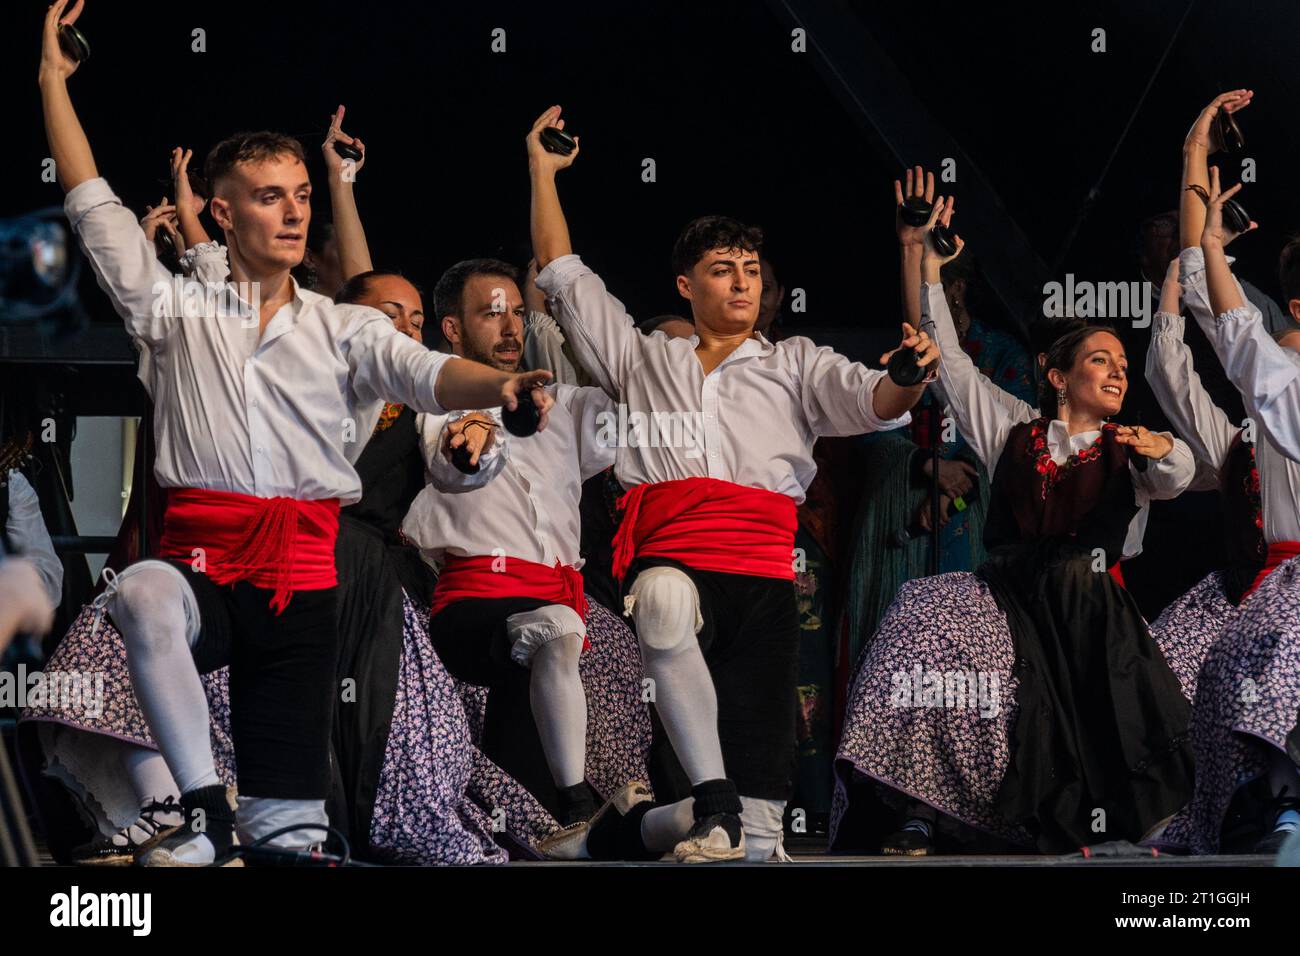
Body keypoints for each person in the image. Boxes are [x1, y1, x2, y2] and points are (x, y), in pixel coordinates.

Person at [37, 0, 554, 866]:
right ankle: (202, 809)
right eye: (270, 197)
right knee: (140, 596)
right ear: (222, 211)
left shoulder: (344, 328)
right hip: (203, 569)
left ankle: (254, 829)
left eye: (303, 196)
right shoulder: (172, 307)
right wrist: (54, 82)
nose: (292, 212)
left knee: (292, 835)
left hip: (307, 587)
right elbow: (92, 203)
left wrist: (503, 384)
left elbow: (431, 375)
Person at [527, 104, 938, 862]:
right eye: (723, 269)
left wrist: (907, 378)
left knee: (752, 841)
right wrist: (543, 173)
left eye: (751, 270)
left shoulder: (796, 364)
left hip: (764, 575)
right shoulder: (642, 358)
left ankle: (627, 832)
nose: (742, 281)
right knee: (661, 598)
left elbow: (878, 398)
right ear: (686, 284)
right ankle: (707, 804)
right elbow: (564, 274)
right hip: (675, 552)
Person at [834, 195, 1197, 855]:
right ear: (1057, 376)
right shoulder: (1012, 425)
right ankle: (916, 810)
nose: (1117, 370)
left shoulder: (1129, 446)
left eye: (1121, 363)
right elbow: (948, 361)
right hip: (1006, 596)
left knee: (1085, 590)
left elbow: (1176, 477)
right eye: (1099, 360)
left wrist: (1165, 452)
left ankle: (1146, 814)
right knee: (924, 625)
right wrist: (930, 272)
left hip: (1088, 610)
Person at [402, 257, 651, 859]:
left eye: (518, 312)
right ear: (454, 329)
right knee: (558, 633)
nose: (510, 326)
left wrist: (569, 314)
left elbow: (636, 402)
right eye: (492, 314)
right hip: (474, 600)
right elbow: (454, 461)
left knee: (568, 669)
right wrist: (476, 447)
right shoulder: (440, 404)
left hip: (553, 595)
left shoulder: (566, 405)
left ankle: (560, 823)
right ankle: (577, 808)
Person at [1145, 91, 1300, 855]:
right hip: (1273, 586)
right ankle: (1269, 813)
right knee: (1229, 671)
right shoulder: (1272, 385)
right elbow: (1213, 302)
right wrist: (1193, 161)